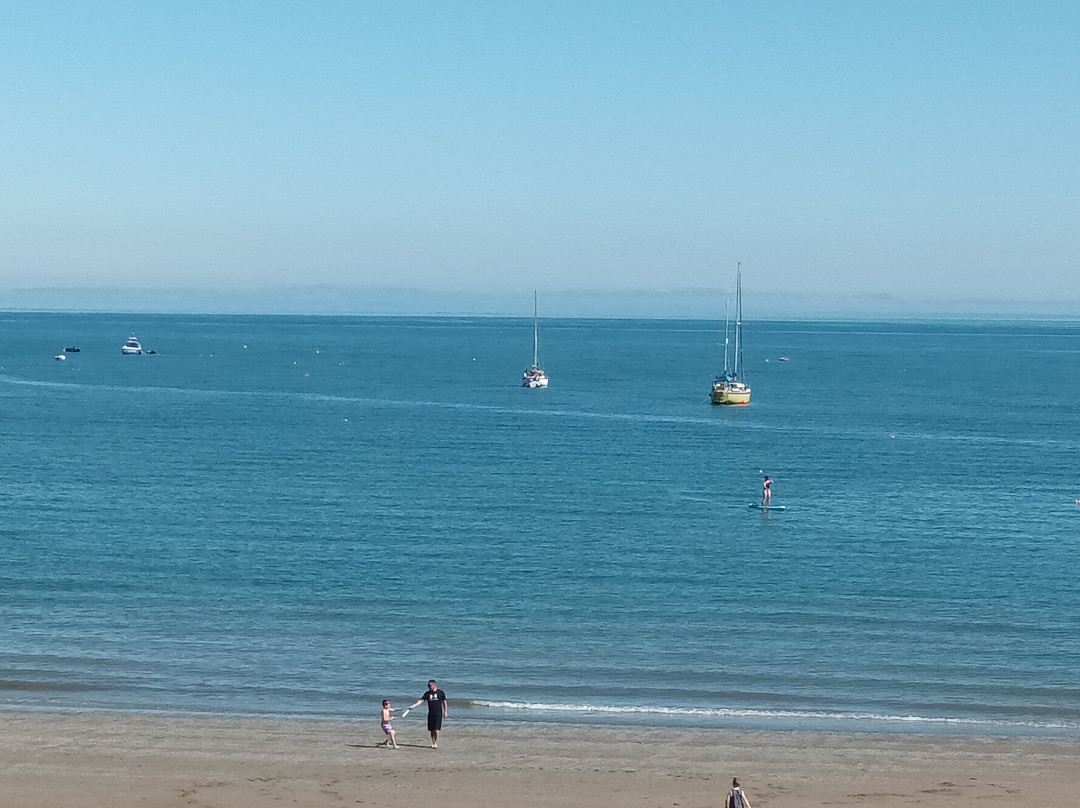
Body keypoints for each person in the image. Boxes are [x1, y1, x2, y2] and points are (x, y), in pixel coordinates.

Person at [408, 679, 447, 748]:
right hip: (431, 713)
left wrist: (445, 711)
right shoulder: (427, 694)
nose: (429, 687)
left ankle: (435, 742)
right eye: (428, 686)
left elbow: (444, 702)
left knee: (436, 729)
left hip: (438, 713)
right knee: (431, 730)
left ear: (434, 685)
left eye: (430, 685)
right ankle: (433, 742)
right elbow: (421, 701)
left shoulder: (441, 693)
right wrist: (413, 706)